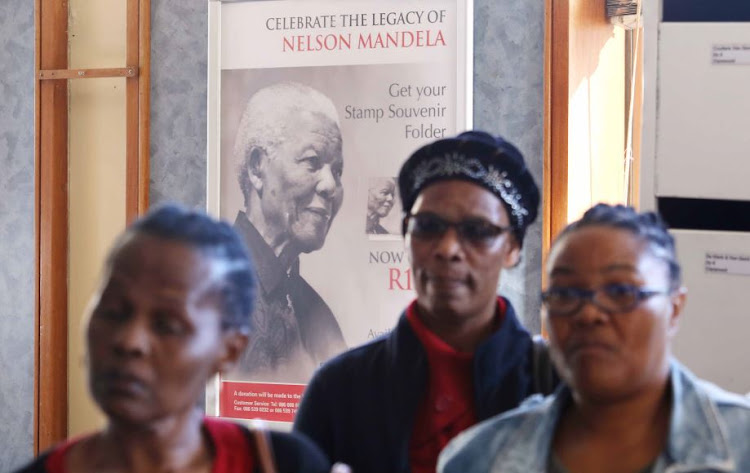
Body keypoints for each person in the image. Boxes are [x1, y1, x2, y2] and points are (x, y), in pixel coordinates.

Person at [294, 131, 552, 473]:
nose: (447, 249)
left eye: (477, 231)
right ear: (405, 235)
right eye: (428, 226)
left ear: (512, 248)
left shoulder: (556, 385)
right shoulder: (340, 389)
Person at [14, 205, 332, 473]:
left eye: (167, 325)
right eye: (112, 311)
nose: (129, 341)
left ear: (229, 351)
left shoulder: (284, 464)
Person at [439, 204, 750, 473]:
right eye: (565, 293)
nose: (588, 314)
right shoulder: (477, 459)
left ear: (674, 308)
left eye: (620, 292)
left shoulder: (740, 446)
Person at [231, 81, 347, 382]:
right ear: (258, 167)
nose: (330, 186)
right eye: (312, 161)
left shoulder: (315, 313)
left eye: (337, 171)